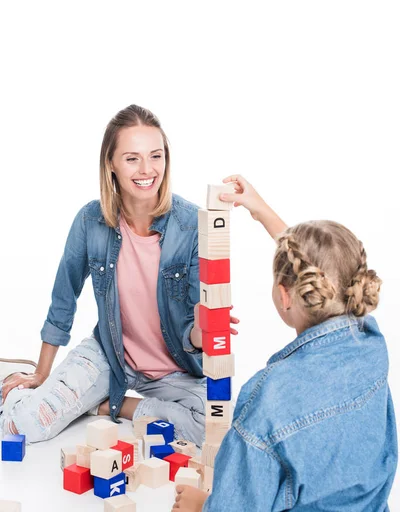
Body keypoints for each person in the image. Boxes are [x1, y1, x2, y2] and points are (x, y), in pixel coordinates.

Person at [0, 104, 239, 447]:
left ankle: (111, 405)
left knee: (215, 427)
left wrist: (205, 326)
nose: (147, 170)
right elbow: (64, 297)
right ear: (110, 163)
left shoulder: (192, 225)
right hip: (110, 355)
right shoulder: (90, 220)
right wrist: (41, 371)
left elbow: (194, 337)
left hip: (173, 367)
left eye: (156, 156)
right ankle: (9, 377)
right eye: (132, 158)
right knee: (23, 426)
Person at [174, 175, 398, 511]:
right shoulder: (371, 343)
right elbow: (321, 268)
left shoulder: (267, 403)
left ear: (284, 296)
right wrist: (260, 209)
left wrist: (202, 505)